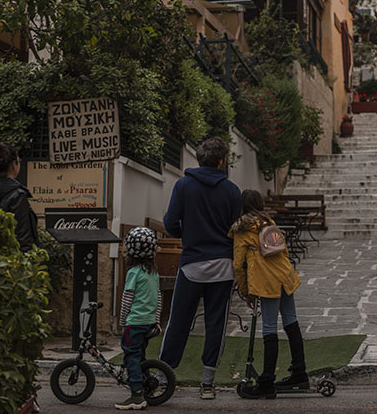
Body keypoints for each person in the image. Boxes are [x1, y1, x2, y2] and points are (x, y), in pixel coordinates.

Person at [159, 137, 241, 400]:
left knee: (178, 321)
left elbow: (171, 222)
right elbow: (236, 230)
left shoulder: (183, 186)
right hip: (222, 266)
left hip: (192, 263)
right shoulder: (231, 191)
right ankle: (207, 383)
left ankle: (163, 376)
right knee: (215, 322)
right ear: (221, 161)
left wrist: (188, 235)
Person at [230, 189, 308, 399]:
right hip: (284, 275)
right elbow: (284, 251)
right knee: (291, 322)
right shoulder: (269, 222)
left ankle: (266, 380)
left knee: (269, 328)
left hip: (266, 281)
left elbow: (238, 265)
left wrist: (245, 292)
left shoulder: (241, 230)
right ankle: (299, 372)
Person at [115, 227, 162, 411]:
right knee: (140, 356)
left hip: (134, 323)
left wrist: (122, 321)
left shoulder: (133, 273)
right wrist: (157, 320)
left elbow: (127, 299)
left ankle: (136, 395)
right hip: (149, 322)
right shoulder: (153, 273)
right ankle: (145, 386)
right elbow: (158, 297)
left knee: (131, 357)